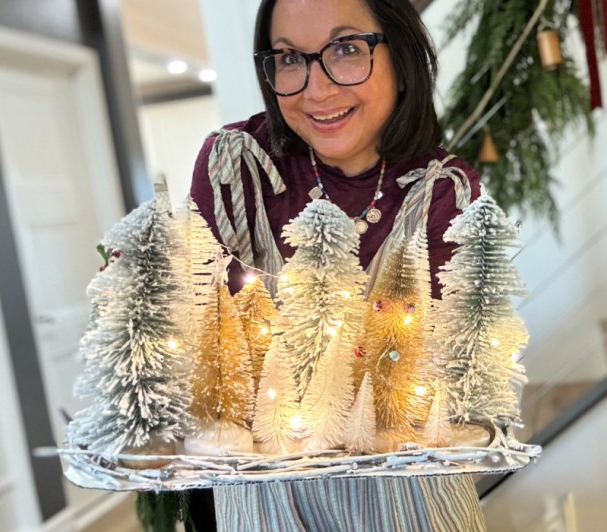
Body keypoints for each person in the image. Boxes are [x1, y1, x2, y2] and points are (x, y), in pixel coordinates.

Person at [188, 0, 485, 529]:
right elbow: (204, 338)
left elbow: (444, 376)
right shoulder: (237, 169)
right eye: (289, 58)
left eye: (346, 49)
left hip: (406, 485)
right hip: (266, 485)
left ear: (402, 58)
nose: (317, 89)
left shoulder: (443, 191)